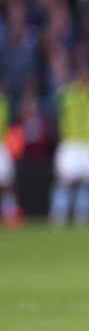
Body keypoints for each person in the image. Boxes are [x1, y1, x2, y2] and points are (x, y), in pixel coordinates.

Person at [50, 62, 89, 227]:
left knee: (88, 180)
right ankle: (59, 215)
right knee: (65, 179)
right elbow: (55, 113)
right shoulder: (67, 94)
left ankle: (82, 215)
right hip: (71, 141)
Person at [0, 87, 24, 229]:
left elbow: (11, 125)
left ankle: (10, 215)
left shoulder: (4, 103)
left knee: (8, 183)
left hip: (1, 146)